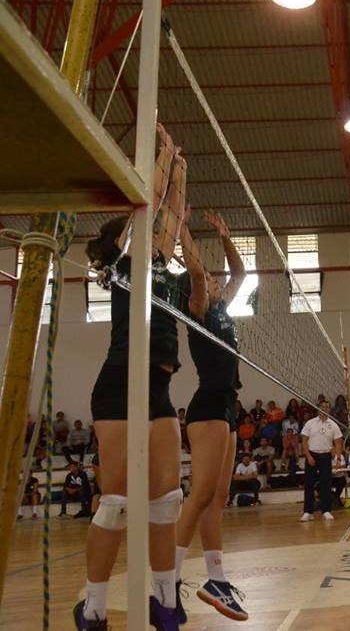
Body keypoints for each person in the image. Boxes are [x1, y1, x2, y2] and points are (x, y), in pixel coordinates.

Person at [75, 126, 187, 630]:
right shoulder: (124, 262)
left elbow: (173, 213)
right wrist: (161, 156)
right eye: (145, 226)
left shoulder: (161, 264)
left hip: (158, 389)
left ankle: (164, 600)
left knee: (166, 500)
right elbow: (152, 200)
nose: (155, 230)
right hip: (120, 383)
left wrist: (181, 168)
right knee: (118, 503)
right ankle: (94, 607)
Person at [173, 209, 248, 622]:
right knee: (201, 495)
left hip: (227, 408)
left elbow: (239, 271)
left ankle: (216, 580)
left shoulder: (224, 311)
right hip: (207, 407)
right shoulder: (199, 309)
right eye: (211, 281)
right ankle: (168, 579)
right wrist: (184, 229)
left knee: (218, 497)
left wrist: (224, 235)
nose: (219, 283)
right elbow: (198, 275)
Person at [300, 407, 345, 522]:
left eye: (326, 407)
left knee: (326, 483)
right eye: (322, 407)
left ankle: (326, 511)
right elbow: (304, 441)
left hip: (326, 456)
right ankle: (308, 512)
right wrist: (308, 456)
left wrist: (338, 457)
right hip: (312, 455)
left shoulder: (333, 424)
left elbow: (338, 442)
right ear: (318, 409)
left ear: (329, 410)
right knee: (309, 484)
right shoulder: (310, 423)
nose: (324, 409)